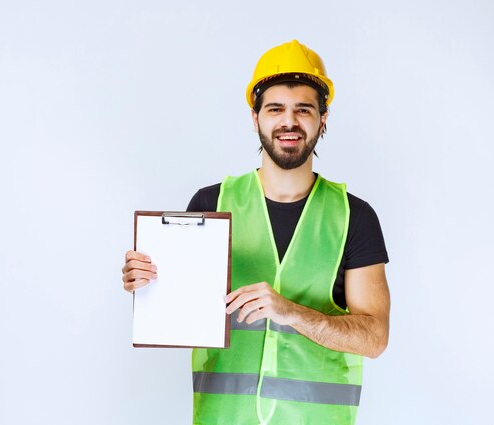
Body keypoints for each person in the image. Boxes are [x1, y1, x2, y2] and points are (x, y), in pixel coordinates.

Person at [121, 40, 390, 425]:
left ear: (323, 119)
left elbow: (374, 337)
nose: (289, 121)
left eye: (304, 109)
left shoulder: (354, 217)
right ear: (255, 117)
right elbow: (178, 309)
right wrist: (146, 283)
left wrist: (291, 312)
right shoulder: (211, 204)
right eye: (276, 108)